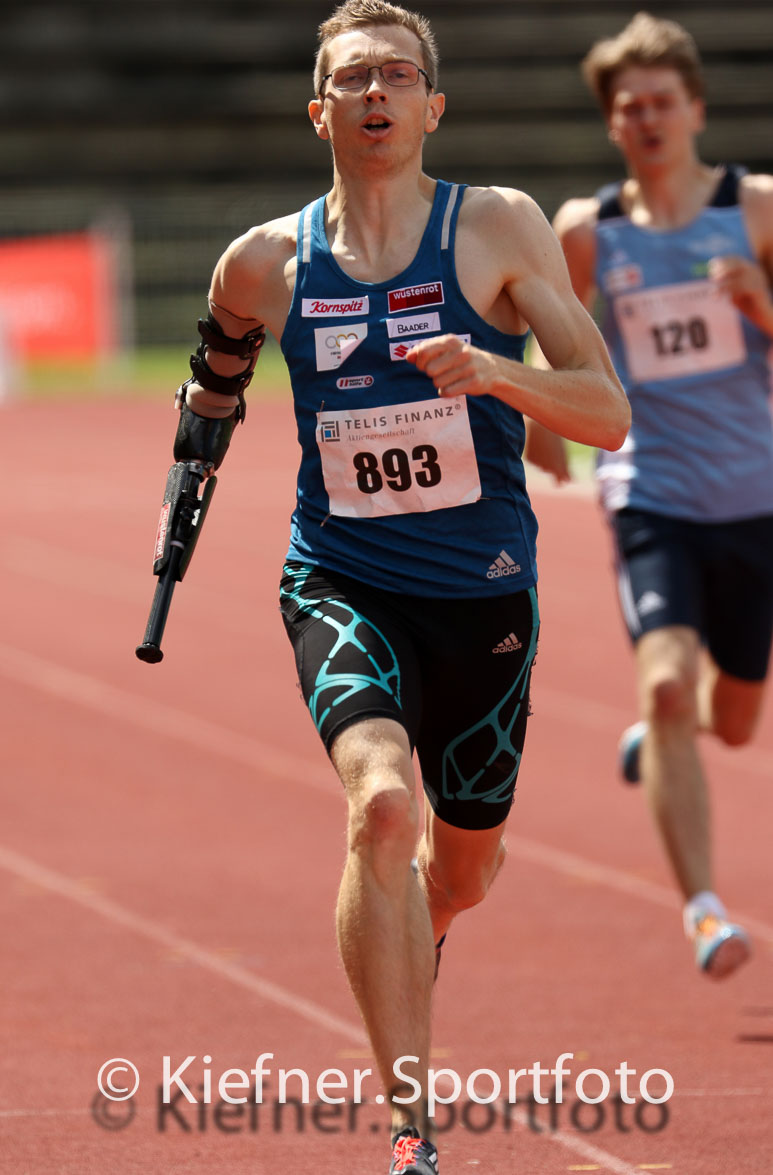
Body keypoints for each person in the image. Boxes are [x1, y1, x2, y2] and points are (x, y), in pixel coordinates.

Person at [167, 2, 628, 1170]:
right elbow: (215, 365)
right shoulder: (266, 261)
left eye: (397, 76)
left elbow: (605, 408)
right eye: (351, 78)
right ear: (317, 108)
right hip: (340, 575)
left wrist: (494, 373)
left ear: (433, 105)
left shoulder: (497, 231)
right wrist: (197, 447)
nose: (375, 94)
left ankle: (420, 918)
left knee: (459, 866)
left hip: (481, 592)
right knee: (379, 803)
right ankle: (411, 1132)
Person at [526, 12, 773, 980]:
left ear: (694, 109)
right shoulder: (586, 232)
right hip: (650, 489)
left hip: (754, 495)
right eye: (628, 108)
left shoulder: (754, 209)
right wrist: (543, 421)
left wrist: (760, 300)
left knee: (735, 717)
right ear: (610, 125)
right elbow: (551, 335)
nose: (646, 118)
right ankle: (703, 907)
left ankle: (659, 734)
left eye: (661, 102)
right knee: (667, 684)